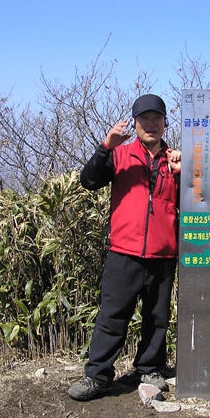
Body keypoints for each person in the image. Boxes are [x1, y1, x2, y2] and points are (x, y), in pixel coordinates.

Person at [68, 94, 182, 401]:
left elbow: (195, 204)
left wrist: (184, 174)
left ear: (165, 122)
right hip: (124, 251)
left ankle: (150, 369)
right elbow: (88, 180)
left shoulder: (176, 159)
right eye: (144, 119)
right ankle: (98, 376)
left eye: (156, 118)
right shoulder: (119, 155)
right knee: (112, 316)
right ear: (134, 123)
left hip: (162, 254)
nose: (150, 124)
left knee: (157, 318)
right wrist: (107, 145)